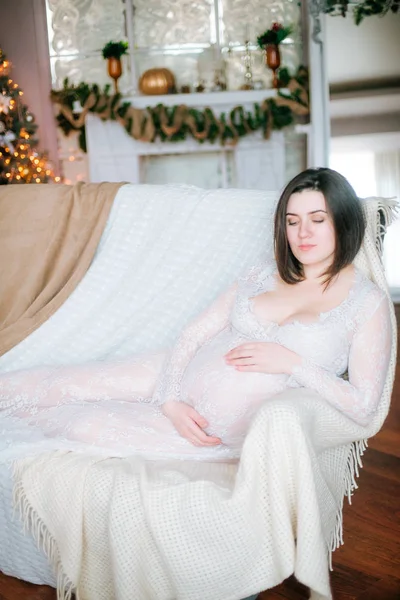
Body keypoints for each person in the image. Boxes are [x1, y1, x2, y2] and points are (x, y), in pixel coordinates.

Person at [0, 168, 393, 462]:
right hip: (172, 373)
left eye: (317, 219)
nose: (302, 233)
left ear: (343, 221)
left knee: (82, 425)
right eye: (292, 222)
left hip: (212, 424)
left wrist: (291, 363)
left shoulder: (366, 303)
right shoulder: (263, 273)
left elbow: (364, 406)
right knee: (55, 382)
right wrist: (169, 398)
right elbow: (192, 334)